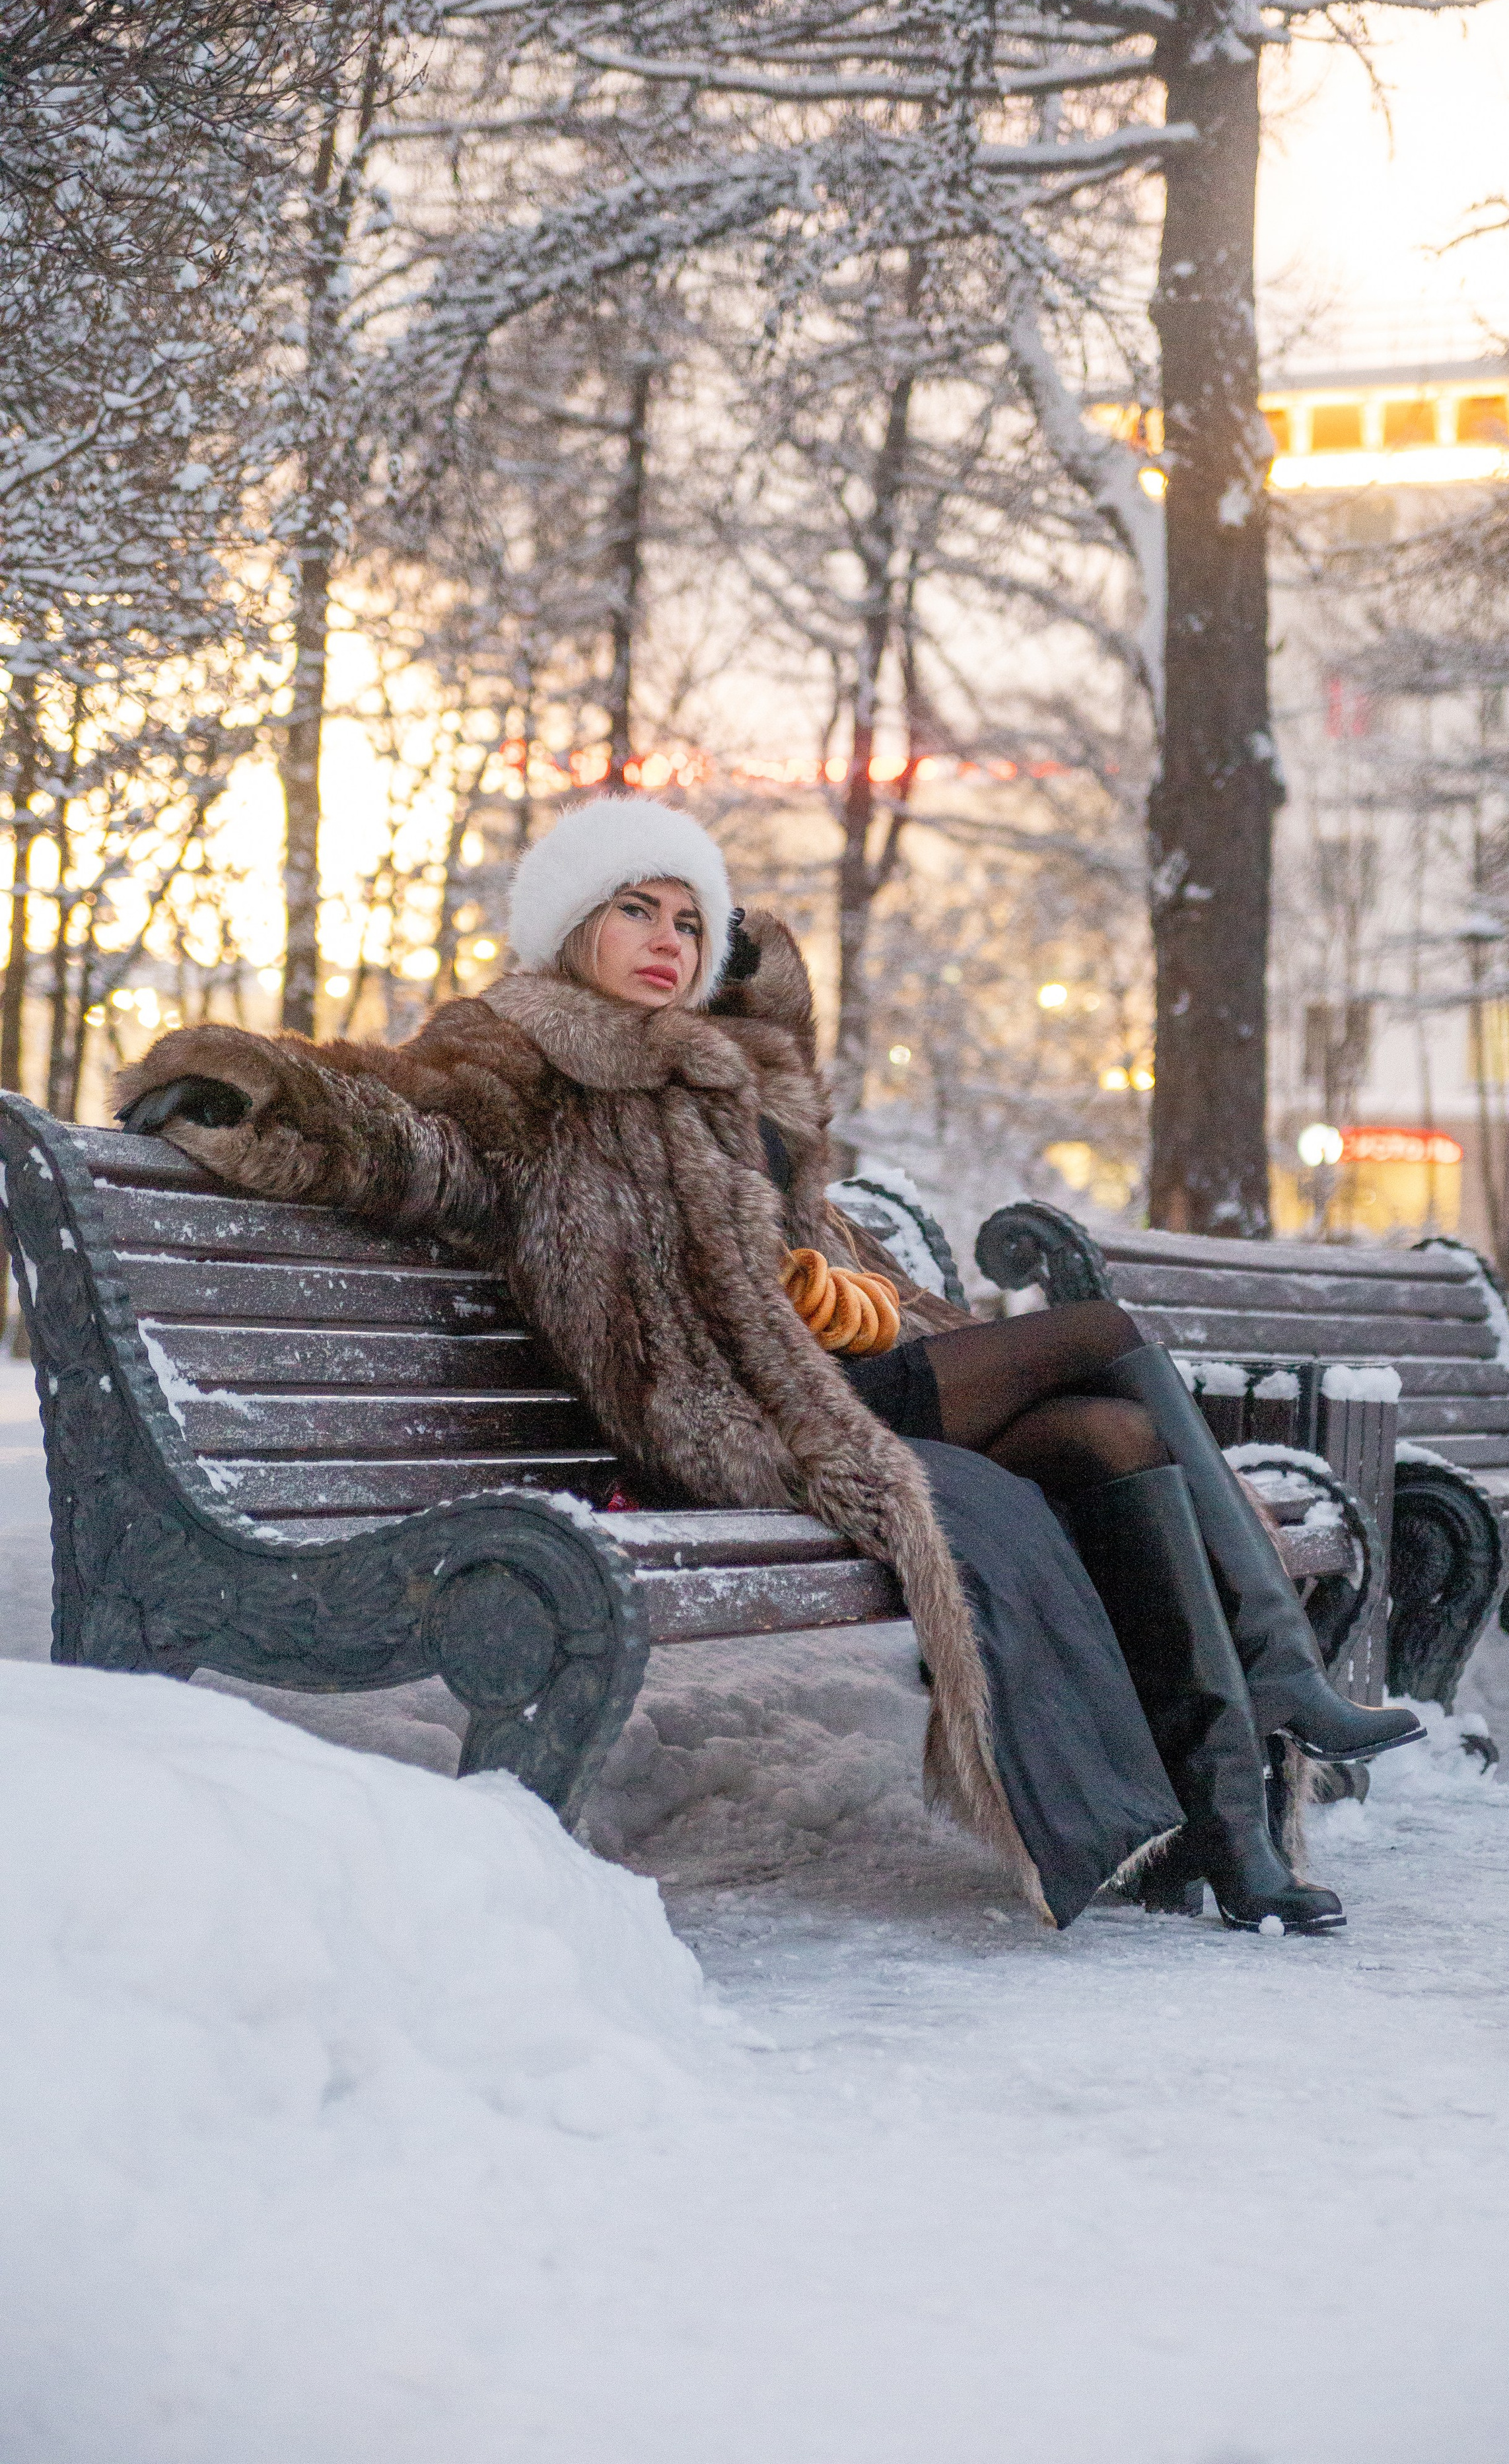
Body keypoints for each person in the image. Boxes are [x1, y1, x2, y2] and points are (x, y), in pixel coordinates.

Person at [116, 796, 1422, 1934]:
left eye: (692, 921)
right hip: (727, 1421)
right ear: (574, 925)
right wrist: (255, 1099)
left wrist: (829, 1256)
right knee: (1105, 1338)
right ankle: (1282, 1680)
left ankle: (1228, 1834)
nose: (668, 940)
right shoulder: (507, 1055)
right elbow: (405, 1142)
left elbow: (797, 1203)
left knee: (1108, 1438)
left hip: (823, 1385)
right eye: (637, 909)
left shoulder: (712, 1071)